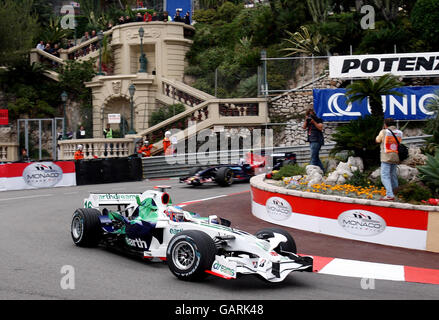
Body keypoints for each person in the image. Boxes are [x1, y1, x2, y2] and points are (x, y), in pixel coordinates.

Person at [375, 118, 403, 201]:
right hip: (395, 156)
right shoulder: (399, 132)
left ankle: (390, 195)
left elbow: (377, 140)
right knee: (393, 175)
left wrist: (382, 130)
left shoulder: (384, 132)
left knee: (385, 176)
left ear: (385, 124)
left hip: (386, 156)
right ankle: (396, 192)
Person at [302, 107, 324, 172]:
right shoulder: (308, 120)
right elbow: (304, 127)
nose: (310, 116)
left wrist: (314, 122)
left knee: (313, 157)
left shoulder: (318, 119)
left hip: (317, 139)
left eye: (311, 114)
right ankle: (323, 171)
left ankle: (311, 172)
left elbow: (320, 128)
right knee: (316, 157)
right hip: (311, 139)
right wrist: (306, 120)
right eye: (309, 114)